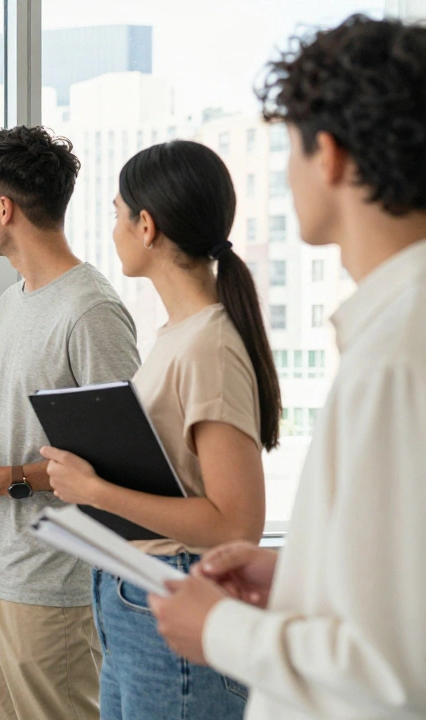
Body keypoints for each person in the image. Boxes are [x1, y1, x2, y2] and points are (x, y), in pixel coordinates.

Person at [149, 15, 426, 720]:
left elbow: (394, 671)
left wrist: (218, 629)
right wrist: (304, 578)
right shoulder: (394, 331)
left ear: (328, 156)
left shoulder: (397, 353)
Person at [41, 139, 281, 720]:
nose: (114, 231)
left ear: (146, 226)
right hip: (133, 595)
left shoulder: (208, 344)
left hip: (168, 589)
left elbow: (236, 523)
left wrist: (95, 491)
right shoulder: (180, 336)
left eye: (118, 215)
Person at [0, 126, 140, 720]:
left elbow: (120, 457)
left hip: (52, 586)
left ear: (4, 208)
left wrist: (7, 478)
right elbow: (38, 422)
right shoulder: (13, 300)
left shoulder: (90, 310)